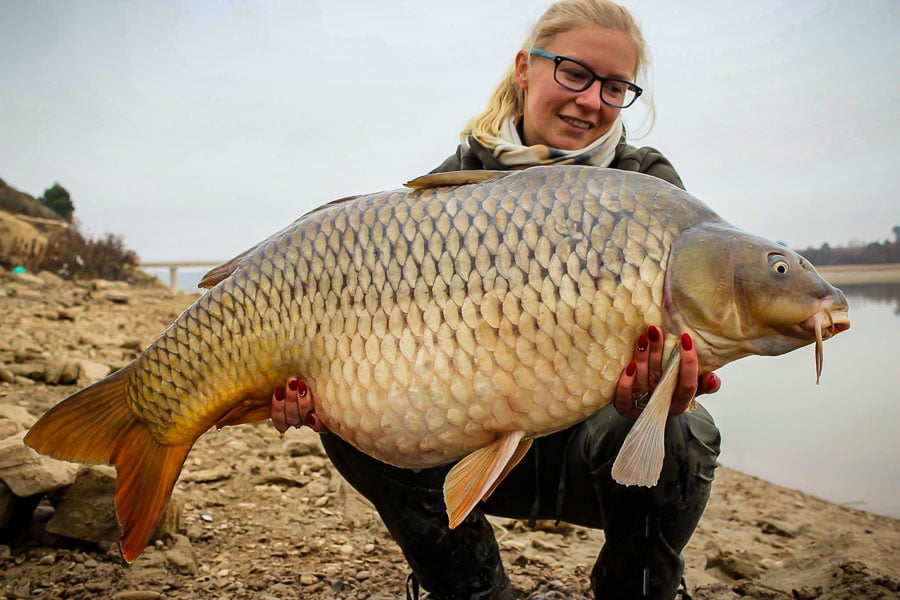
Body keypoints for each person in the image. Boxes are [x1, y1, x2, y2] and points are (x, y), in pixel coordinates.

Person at [272, 1, 722, 598]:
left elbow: (691, 333)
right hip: (465, 442)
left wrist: (665, 392)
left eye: (615, 87)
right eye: (574, 73)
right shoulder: (449, 192)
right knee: (353, 416)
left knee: (684, 432)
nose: (591, 100)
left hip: (595, 454)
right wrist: (323, 389)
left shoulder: (653, 196)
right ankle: (470, 588)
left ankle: (640, 588)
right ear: (524, 69)